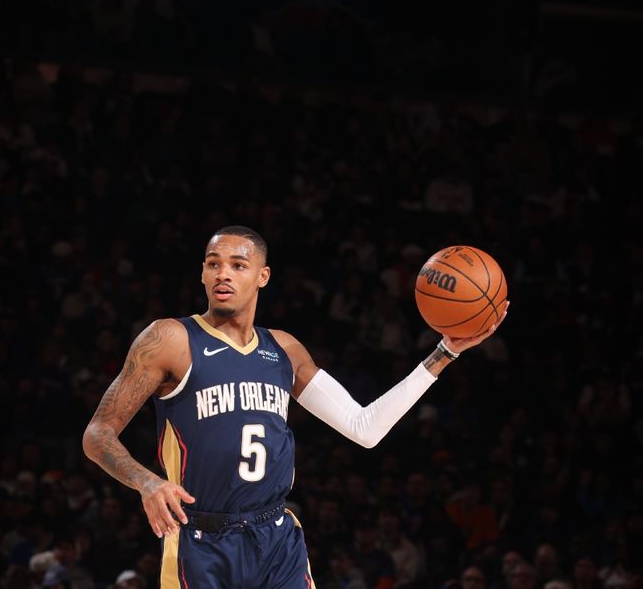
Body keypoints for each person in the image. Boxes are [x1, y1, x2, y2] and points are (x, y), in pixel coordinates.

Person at [83, 226, 509, 588]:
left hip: (276, 537)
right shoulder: (170, 340)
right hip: (201, 539)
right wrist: (147, 483)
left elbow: (365, 427)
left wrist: (443, 353)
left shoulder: (284, 350)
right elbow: (97, 434)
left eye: (237, 264)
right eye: (213, 263)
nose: (222, 274)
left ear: (262, 276)